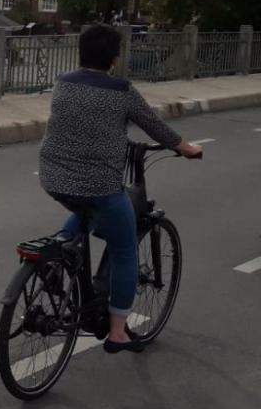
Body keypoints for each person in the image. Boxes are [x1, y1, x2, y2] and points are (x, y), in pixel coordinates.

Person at [38, 24, 202, 354]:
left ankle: (56, 259)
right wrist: (186, 147)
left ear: (79, 52)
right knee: (125, 247)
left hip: (52, 176)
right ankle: (117, 333)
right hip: (99, 184)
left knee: (83, 209)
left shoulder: (63, 83)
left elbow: (85, 123)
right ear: (115, 57)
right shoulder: (121, 91)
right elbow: (155, 127)